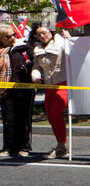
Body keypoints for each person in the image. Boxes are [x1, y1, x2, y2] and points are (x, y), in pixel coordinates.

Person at [30, 24, 71, 159]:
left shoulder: (61, 42)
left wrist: (69, 38)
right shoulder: (38, 49)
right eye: (39, 34)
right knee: (51, 116)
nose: (42, 36)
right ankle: (61, 146)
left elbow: (74, 51)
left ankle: (61, 146)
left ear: (51, 31)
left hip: (64, 83)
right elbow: (36, 67)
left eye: (44, 32)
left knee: (55, 112)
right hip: (49, 86)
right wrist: (36, 76)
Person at [1, 23, 36, 159]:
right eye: (7, 36)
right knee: (8, 119)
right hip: (6, 89)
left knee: (23, 119)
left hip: (24, 88)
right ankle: (9, 146)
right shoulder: (2, 52)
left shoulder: (24, 48)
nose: (12, 38)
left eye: (13, 34)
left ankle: (24, 146)